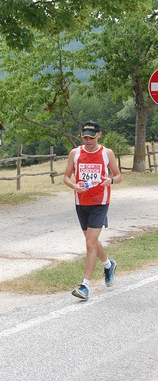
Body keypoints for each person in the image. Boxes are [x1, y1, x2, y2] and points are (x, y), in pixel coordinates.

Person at [63, 121, 121, 301]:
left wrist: (110, 181)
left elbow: (118, 176)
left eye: (91, 137)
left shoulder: (106, 153)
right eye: (85, 137)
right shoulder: (75, 153)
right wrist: (74, 186)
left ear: (99, 135)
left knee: (89, 243)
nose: (88, 141)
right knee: (92, 241)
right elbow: (66, 177)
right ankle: (108, 264)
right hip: (81, 202)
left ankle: (85, 286)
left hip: (100, 202)